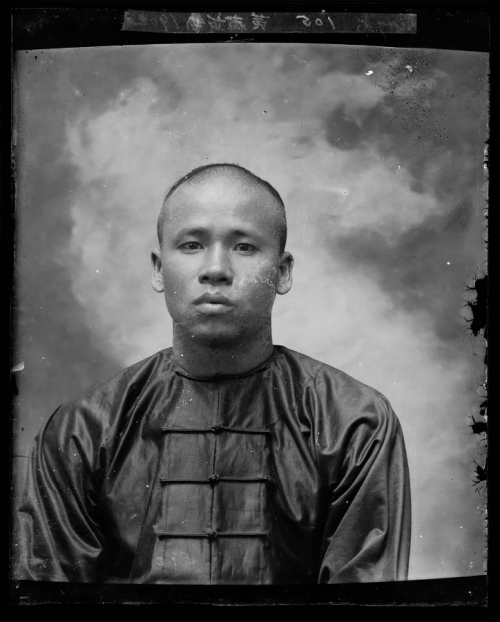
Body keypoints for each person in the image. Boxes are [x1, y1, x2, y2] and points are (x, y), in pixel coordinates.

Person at [15, 163, 411, 584]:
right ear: (157, 269)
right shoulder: (83, 429)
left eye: (243, 247)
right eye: (191, 245)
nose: (216, 268)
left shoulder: (354, 422)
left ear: (282, 272)